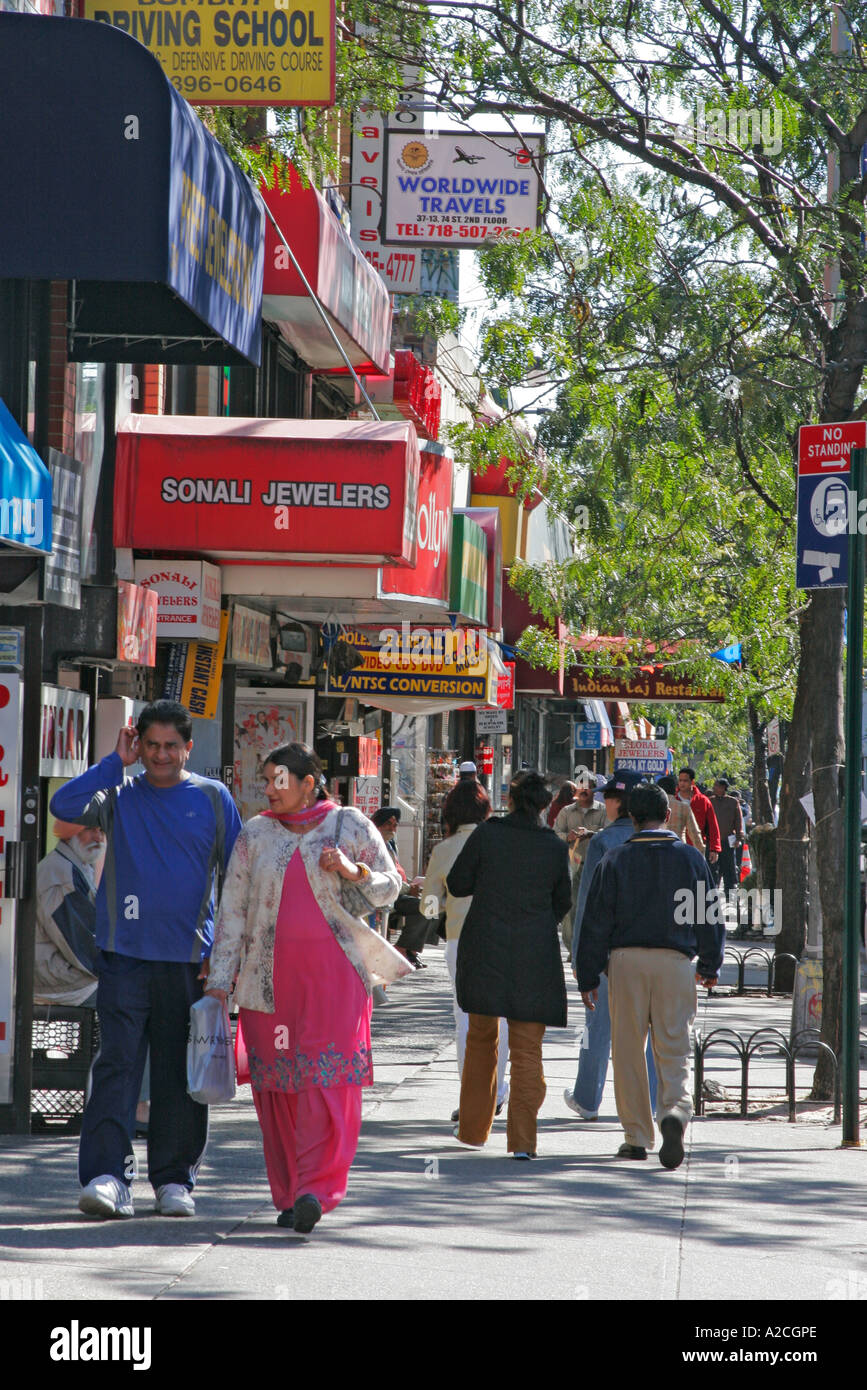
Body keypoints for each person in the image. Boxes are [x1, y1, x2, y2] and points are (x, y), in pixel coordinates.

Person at [50, 699, 242, 1220]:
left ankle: (174, 1180)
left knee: (182, 1073)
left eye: (170, 746)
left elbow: (240, 883)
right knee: (118, 1064)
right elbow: (63, 808)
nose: (160, 755)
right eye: (151, 745)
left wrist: (226, 960)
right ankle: (107, 1177)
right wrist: (116, 761)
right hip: (123, 957)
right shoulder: (117, 794)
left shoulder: (212, 797)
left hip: (189, 962)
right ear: (140, 744)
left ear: (188, 747)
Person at [206, 742, 407, 1234]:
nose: (270, 790)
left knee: (327, 1080)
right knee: (280, 1084)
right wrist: (219, 981)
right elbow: (231, 909)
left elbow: (389, 886)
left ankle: (317, 1188)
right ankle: (292, 1191)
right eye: (266, 779)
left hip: (335, 977)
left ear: (308, 782)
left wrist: (351, 870)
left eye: (279, 780)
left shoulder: (350, 824)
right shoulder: (255, 834)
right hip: (267, 983)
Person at [577, 782, 725, 1167]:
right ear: (667, 815)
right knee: (674, 1047)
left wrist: (587, 976)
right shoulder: (691, 858)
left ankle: (636, 1136)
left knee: (627, 1049)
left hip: (625, 962)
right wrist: (710, 964)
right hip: (676, 963)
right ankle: (674, 1111)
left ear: (631, 816)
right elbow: (708, 913)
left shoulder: (614, 859)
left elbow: (594, 921)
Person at [448, 771, 571, 1159]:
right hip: (535, 952)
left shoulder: (487, 834)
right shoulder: (553, 846)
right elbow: (562, 901)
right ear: (544, 807)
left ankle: (472, 1131)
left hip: (486, 947)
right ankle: (522, 1142)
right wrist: (536, 919)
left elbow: (457, 883)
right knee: (527, 1047)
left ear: (512, 800)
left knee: (481, 1039)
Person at [563, 773, 657, 1121]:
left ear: (623, 801)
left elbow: (586, 903)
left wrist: (579, 952)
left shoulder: (604, 842)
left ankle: (588, 1099)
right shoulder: (667, 842)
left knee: (598, 1026)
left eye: (611, 798)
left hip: (608, 951)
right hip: (656, 950)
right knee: (652, 1029)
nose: (606, 803)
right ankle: (650, 1102)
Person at [421, 779, 509, 1123]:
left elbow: (429, 909)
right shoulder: (501, 843)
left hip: (461, 941)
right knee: (499, 1017)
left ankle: (472, 1097)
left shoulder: (443, 851)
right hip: (501, 937)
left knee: (466, 1021)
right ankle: (498, 1092)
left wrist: (440, 902)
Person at [34, 821, 104, 1007]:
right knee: (128, 1002)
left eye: (100, 830)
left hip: (63, 972)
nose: (98, 838)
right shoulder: (60, 873)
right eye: (90, 829)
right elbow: (80, 947)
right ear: (69, 834)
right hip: (60, 980)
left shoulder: (74, 864)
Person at [553, 772, 607, 953]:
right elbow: (554, 835)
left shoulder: (603, 811)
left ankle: (588, 946)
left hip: (596, 868)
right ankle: (572, 948)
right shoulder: (566, 812)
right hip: (572, 867)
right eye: (581, 786)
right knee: (572, 909)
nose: (584, 790)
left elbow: (609, 833)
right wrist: (568, 836)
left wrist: (591, 834)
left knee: (594, 909)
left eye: (588, 786)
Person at [372, 806, 428, 968]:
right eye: (388, 824)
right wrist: (408, 888)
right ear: (378, 824)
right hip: (385, 894)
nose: (392, 828)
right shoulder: (374, 846)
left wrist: (412, 885)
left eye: (395, 825)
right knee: (425, 907)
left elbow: (397, 873)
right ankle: (403, 949)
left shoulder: (389, 845)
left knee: (432, 905)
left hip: (398, 891)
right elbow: (384, 876)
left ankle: (411, 949)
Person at [676, 767, 721, 868]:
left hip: (698, 848)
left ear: (692, 782)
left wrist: (714, 849)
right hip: (677, 849)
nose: (682, 783)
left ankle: (701, 885)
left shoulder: (703, 801)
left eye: (685, 781)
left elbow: (712, 826)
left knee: (700, 879)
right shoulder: (673, 800)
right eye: (680, 780)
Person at [709, 777, 744, 898]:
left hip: (727, 841)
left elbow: (738, 821)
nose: (714, 788)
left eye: (716, 786)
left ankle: (730, 892)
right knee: (712, 867)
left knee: (728, 867)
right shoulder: (710, 801)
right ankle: (712, 892)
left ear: (723, 788)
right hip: (712, 841)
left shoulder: (733, 802)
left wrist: (739, 837)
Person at [657, 774, 704, 849]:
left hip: (657, 849)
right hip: (679, 848)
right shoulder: (684, 807)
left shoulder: (652, 807)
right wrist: (701, 854)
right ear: (675, 789)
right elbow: (695, 834)